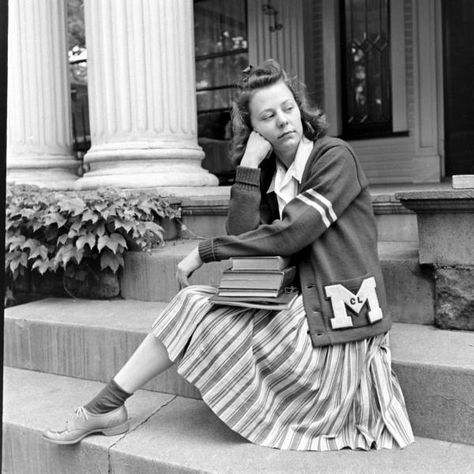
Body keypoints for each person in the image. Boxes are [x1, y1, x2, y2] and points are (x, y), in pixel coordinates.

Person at [43, 60, 414, 451]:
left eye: (288, 108)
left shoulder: (333, 157)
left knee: (203, 310)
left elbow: (290, 235)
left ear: (300, 108)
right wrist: (250, 166)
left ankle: (106, 407)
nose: (284, 121)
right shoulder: (270, 172)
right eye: (268, 116)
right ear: (255, 129)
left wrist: (206, 251)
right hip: (302, 306)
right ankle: (108, 405)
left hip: (340, 325)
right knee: (191, 301)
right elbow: (245, 236)